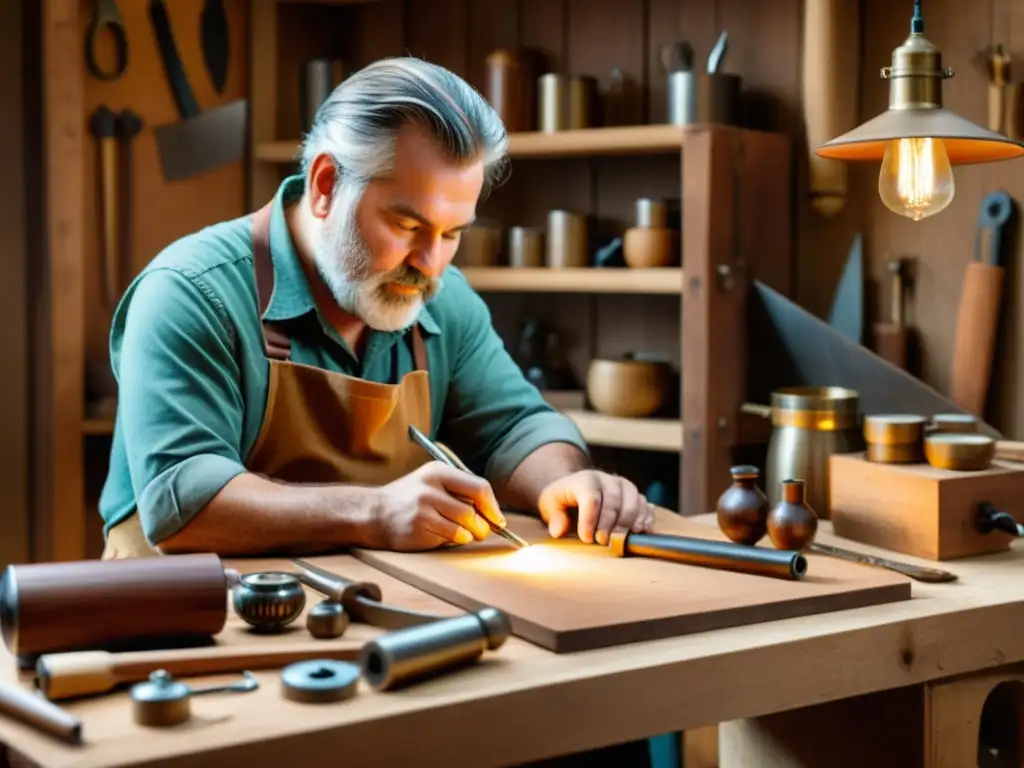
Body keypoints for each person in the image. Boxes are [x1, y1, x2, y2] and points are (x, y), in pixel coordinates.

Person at [98, 56, 656, 560]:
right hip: (185, 627)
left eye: (453, 233)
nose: (430, 262)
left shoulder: (443, 300)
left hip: (360, 613)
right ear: (324, 185)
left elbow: (517, 427)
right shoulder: (191, 293)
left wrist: (564, 482)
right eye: (407, 225)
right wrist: (375, 512)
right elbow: (185, 502)